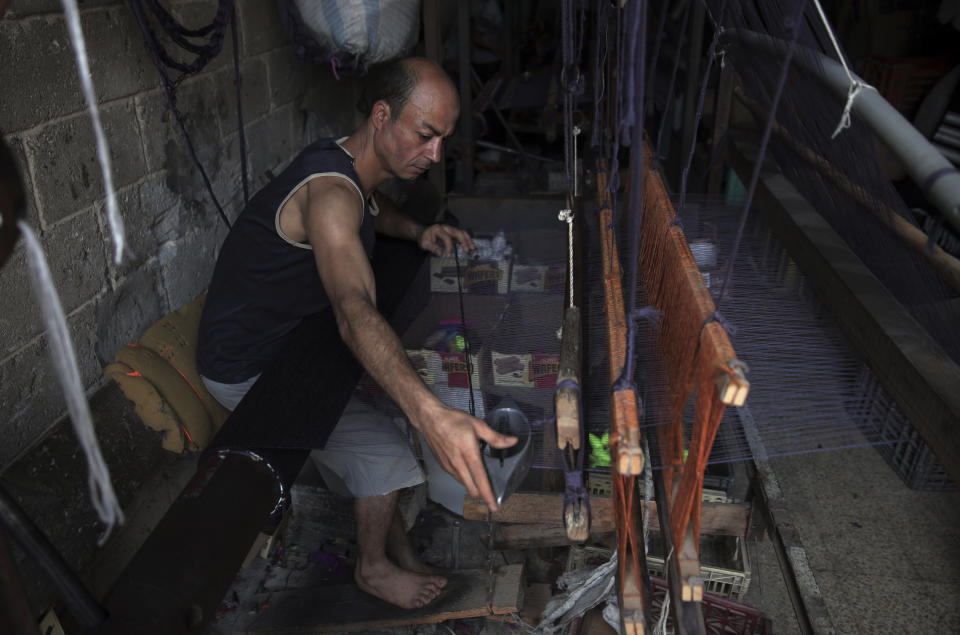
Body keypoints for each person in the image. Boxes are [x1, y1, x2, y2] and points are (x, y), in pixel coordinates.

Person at [196, 57, 516, 609]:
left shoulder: (349, 167)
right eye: (425, 135)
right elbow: (352, 309)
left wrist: (418, 231)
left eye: (443, 139)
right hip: (248, 368)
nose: (435, 154)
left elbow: (375, 207)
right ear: (383, 115)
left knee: (383, 407)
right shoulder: (331, 195)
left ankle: (396, 552)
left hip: (288, 340)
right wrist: (432, 416)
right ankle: (372, 567)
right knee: (387, 447)